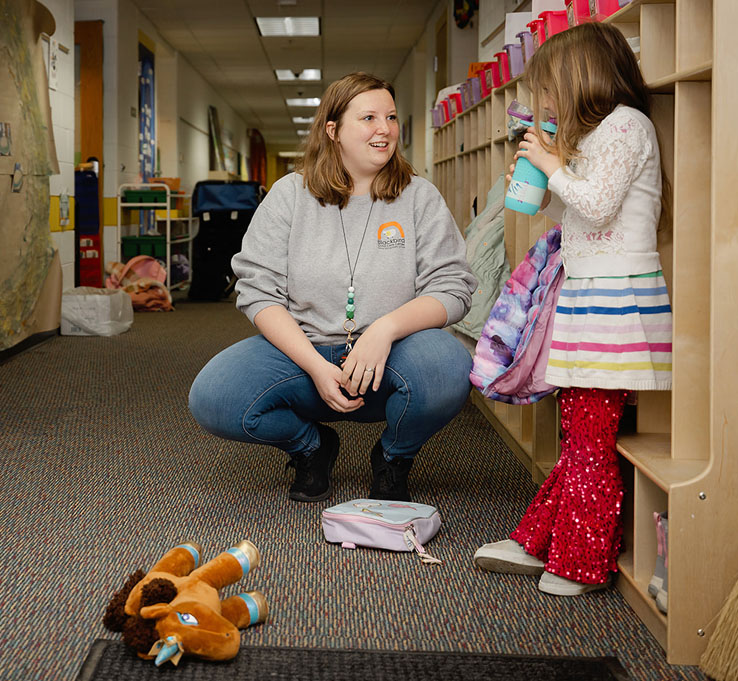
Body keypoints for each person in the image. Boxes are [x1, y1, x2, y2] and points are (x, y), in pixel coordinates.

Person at [188, 73, 477, 504]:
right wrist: (316, 365)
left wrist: (384, 330)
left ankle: (394, 457)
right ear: (333, 130)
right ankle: (312, 448)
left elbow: (453, 287)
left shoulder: (419, 197)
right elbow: (258, 290)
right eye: (369, 118)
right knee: (214, 397)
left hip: (389, 357)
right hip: (303, 355)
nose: (385, 129)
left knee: (449, 367)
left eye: (391, 117)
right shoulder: (289, 195)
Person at [473, 22, 672, 597]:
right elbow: (581, 209)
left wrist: (554, 163)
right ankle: (540, 538)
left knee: (588, 435)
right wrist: (547, 173)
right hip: (592, 296)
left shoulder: (626, 127)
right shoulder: (604, 133)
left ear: (580, 78)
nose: (543, 102)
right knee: (581, 429)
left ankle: (581, 562)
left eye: (549, 88)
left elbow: (600, 204)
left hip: (616, 302)